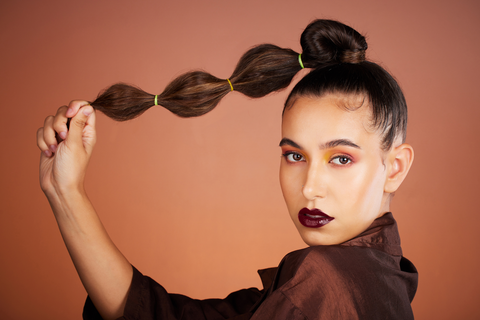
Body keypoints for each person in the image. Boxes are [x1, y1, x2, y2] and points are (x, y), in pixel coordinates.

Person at [36, 19, 418, 319]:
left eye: (340, 158)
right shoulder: (384, 276)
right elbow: (163, 314)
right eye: (294, 156)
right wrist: (64, 190)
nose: (310, 188)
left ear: (395, 167)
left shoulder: (323, 282)